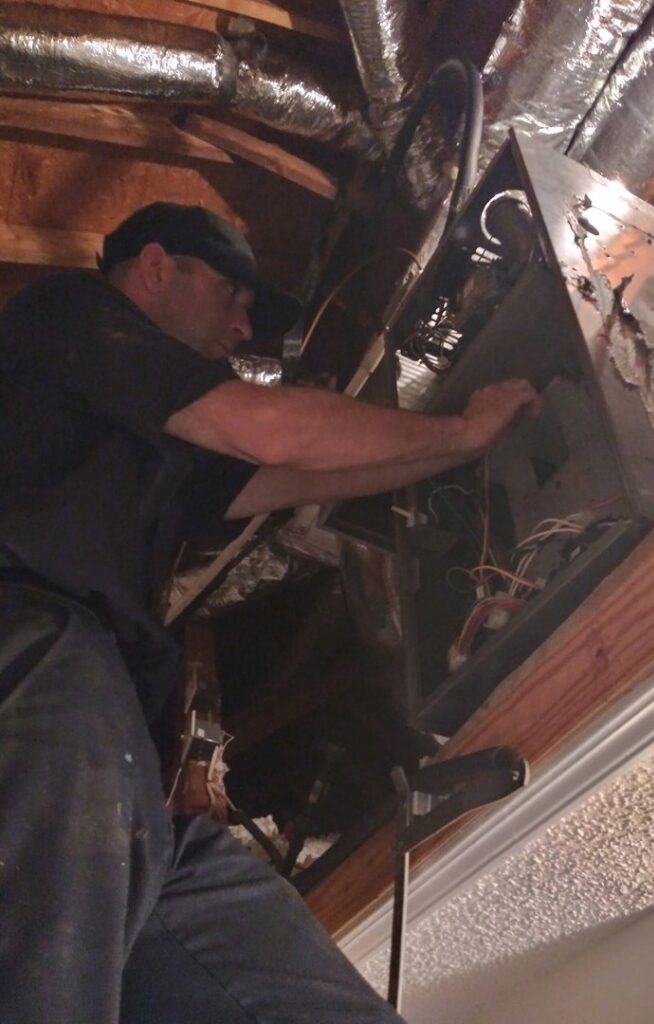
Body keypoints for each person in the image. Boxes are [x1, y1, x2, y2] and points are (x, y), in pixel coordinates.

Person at [0, 201, 541, 1023]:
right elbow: (270, 434)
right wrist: (462, 431)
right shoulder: (71, 315)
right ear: (155, 270)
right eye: (233, 295)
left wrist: (438, 450)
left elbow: (295, 480)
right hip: (32, 652)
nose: (245, 326)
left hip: (124, 766)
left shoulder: (156, 446)